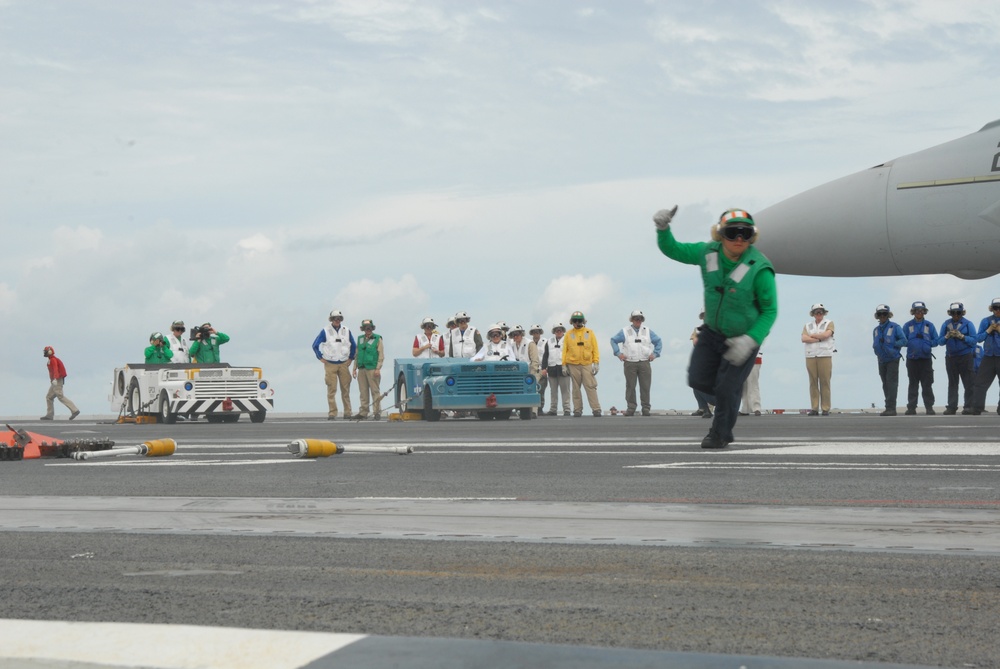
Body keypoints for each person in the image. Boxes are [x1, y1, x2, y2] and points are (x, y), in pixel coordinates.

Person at [654, 205, 777, 449]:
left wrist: (751, 339)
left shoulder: (760, 268)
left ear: (752, 236)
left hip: (743, 338)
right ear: (720, 235)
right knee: (697, 380)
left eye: (745, 233)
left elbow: (769, 310)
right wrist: (663, 229)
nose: (739, 238)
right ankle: (729, 393)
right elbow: (673, 249)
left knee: (725, 389)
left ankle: (720, 434)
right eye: (732, 233)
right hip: (712, 332)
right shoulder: (707, 252)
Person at [609, 310, 662, 416]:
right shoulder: (625, 331)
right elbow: (613, 340)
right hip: (630, 362)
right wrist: (618, 353)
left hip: (644, 362)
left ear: (642, 320)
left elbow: (658, 341)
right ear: (632, 319)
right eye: (636, 318)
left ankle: (646, 408)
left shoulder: (647, 331)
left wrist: (655, 354)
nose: (638, 320)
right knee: (630, 386)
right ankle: (631, 408)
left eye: (640, 318)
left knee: (645, 386)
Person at [312, 309, 356, 420]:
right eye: (335, 318)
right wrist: (320, 357)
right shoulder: (325, 331)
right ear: (331, 319)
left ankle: (347, 413)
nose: (337, 320)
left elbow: (354, 345)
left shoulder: (346, 330)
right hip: (330, 364)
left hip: (343, 364)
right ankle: (332, 413)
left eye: (339, 318)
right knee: (331, 390)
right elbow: (315, 345)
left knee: (346, 390)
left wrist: (351, 358)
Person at [937, 302, 977, 415]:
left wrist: (962, 337)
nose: (956, 315)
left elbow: (974, 341)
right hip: (951, 357)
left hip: (965, 356)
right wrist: (946, 336)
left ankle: (969, 406)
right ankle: (951, 407)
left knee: (968, 383)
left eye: (958, 313)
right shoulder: (946, 324)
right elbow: (939, 342)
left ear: (962, 313)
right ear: (950, 313)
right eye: (953, 313)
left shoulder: (968, 324)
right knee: (953, 383)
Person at [562, 311, 602, 417]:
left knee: (590, 386)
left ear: (583, 321)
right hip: (573, 364)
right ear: (572, 322)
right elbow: (564, 350)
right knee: (575, 388)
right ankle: (577, 409)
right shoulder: (569, 334)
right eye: (575, 320)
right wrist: (564, 365)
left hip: (586, 363)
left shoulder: (590, 332)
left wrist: (596, 362)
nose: (577, 322)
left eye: (579, 320)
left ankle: (596, 409)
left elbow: (595, 348)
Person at [903, 301, 938, 415]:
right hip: (912, 359)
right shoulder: (907, 326)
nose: (919, 313)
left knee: (927, 384)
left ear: (924, 312)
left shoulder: (929, 325)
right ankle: (911, 408)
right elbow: (902, 340)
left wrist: (927, 344)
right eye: (917, 311)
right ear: (913, 312)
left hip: (926, 359)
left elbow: (936, 341)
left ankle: (929, 407)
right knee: (913, 384)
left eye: (921, 311)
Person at [872, 304, 907, 416]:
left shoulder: (895, 327)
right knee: (885, 384)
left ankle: (891, 408)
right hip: (881, 359)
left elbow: (904, 341)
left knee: (892, 383)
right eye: (880, 314)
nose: (882, 316)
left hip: (892, 359)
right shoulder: (876, 330)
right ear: (877, 316)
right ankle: (888, 406)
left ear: (888, 315)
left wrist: (893, 345)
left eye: (884, 314)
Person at [801, 303, 835, 416]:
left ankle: (825, 408)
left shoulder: (829, 323)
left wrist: (813, 337)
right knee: (813, 382)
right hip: (811, 355)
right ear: (813, 314)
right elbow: (803, 338)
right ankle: (814, 408)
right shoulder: (807, 325)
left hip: (824, 354)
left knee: (825, 381)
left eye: (820, 311)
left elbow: (827, 334)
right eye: (816, 312)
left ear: (824, 313)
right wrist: (818, 338)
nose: (819, 314)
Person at [970, 298, 1000, 415]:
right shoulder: (985, 321)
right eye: (995, 308)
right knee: (980, 382)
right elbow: (978, 338)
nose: (997, 311)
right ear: (991, 309)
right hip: (988, 356)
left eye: (999, 308)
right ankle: (977, 407)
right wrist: (988, 330)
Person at [352, 319, 384, 420]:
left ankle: (377, 412)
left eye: (369, 328)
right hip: (362, 369)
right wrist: (354, 368)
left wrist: (378, 368)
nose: (368, 330)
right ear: (363, 329)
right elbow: (356, 355)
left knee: (375, 391)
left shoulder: (377, 339)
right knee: (363, 392)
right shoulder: (360, 339)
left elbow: (381, 355)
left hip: (372, 369)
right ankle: (363, 412)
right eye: (366, 328)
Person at [40, 346, 80, 421]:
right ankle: (49, 415)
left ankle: (74, 410)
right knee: (49, 397)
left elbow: (55, 369)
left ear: (49, 351)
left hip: (57, 380)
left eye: (45, 351)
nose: (44, 352)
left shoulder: (53, 360)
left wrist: (55, 379)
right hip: (55, 381)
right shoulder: (50, 360)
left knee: (60, 396)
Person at [541, 323, 571, 416]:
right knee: (553, 391)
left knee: (565, 390)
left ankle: (567, 409)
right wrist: (543, 368)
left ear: (563, 331)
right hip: (552, 369)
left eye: (560, 330)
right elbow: (545, 355)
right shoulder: (549, 341)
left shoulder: (567, 340)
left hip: (564, 368)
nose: (559, 331)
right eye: (557, 330)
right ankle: (553, 409)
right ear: (554, 332)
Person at [690, 313, 715, 418]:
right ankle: (704, 408)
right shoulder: (698, 329)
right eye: (704, 315)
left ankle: (707, 408)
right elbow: (695, 342)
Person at [529, 325, 547, 412]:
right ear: (532, 333)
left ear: (540, 332)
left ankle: (540, 408)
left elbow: (548, 356)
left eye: (537, 332)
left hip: (542, 369)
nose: (536, 334)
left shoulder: (545, 342)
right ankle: (533, 408)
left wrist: (546, 369)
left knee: (541, 389)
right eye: (534, 332)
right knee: (532, 390)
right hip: (532, 369)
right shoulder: (529, 343)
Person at [740, 350, 763, 416]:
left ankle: (756, 407)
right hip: (742, 358)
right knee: (744, 385)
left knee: (753, 383)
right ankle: (745, 408)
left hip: (754, 358)